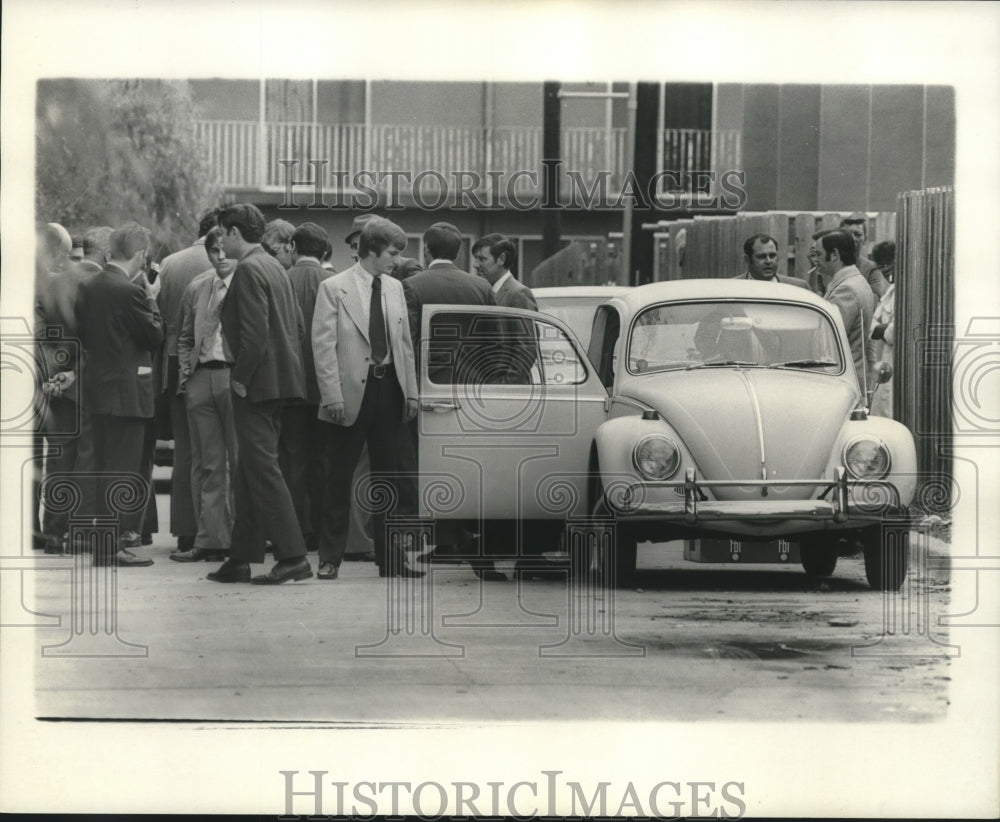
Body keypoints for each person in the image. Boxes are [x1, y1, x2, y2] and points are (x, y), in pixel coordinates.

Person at [207, 203, 311, 585]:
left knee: (262, 470)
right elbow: (296, 327)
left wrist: (242, 377)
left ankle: (294, 557)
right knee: (253, 469)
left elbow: (252, 335)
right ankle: (240, 558)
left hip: (256, 384)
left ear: (235, 233)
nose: (220, 243)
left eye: (222, 235)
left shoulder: (249, 269)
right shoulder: (274, 266)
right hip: (281, 382)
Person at [312, 217, 422, 580]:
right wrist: (331, 395)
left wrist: (412, 394)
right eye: (392, 252)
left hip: (388, 388)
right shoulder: (333, 287)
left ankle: (390, 559)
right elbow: (323, 346)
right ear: (372, 250)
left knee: (388, 479)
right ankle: (330, 557)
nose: (396, 260)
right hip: (348, 392)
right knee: (338, 478)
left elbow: (403, 346)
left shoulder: (394, 288)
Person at [403, 223, 502, 579]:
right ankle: (471, 540)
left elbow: (407, 343)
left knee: (431, 464)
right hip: (473, 391)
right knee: (472, 464)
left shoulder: (412, 287)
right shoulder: (481, 287)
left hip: (430, 389)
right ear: (459, 252)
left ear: (426, 249)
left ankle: (443, 538)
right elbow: (496, 344)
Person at [74, 222, 163, 567]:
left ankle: (103, 545)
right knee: (122, 471)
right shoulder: (132, 291)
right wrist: (153, 300)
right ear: (140, 255)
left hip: (98, 389)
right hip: (128, 394)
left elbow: (82, 333)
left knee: (103, 468)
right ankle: (112, 548)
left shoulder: (89, 286)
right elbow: (154, 336)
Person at [170, 227, 238, 562]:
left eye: (226, 250)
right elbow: (184, 337)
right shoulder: (197, 287)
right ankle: (209, 541)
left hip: (235, 379)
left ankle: (240, 541)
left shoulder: (248, 283)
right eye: (214, 251)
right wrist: (187, 373)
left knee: (239, 462)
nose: (221, 257)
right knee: (209, 463)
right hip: (202, 378)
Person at [156, 208, 219, 553]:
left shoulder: (171, 264)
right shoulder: (222, 262)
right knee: (214, 450)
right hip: (210, 360)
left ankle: (184, 529)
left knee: (185, 449)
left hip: (172, 356)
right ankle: (212, 528)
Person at [278, 221, 333, 553]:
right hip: (326, 387)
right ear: (325, 251)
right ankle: (322, 529)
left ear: (293, 248)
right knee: (323, 461)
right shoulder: (333, 282)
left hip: (289, 385)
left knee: (291, 460)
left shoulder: (282, 281)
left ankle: (295, 529)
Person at [811, 229, 876, 395]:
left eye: (818, 254)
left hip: (842, 384)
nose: (815, 260)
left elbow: (827, 343)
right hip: (852, 378)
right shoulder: (856, 281)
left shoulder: (846, 289)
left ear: (834, 255)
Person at [869, 240, 897, 418]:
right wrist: (884, 329)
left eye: (889, 263)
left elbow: (898, 333)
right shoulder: (891, 292)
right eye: (881, 266)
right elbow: (871, 326)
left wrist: (885, 330)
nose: (885, 269)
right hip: (886, 364)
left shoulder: (909, 291)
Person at [472, 233, 538, 308]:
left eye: (482, 259)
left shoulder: (519, 295)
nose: (475, 265)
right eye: (475, 259)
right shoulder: (482, 292)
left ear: (501, 259)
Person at [735, 234, 811, 288]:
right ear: (747, 259)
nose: (768, 261)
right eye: (761, 257)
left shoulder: (798, 287)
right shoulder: (732, 287)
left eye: (772, 255)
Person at [839, 213, 887, 299]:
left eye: (858, 234)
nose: (853, 238)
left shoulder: (872, 269)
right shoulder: (829, 264)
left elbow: (873, 301)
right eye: (847, 234)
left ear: (865, 239)